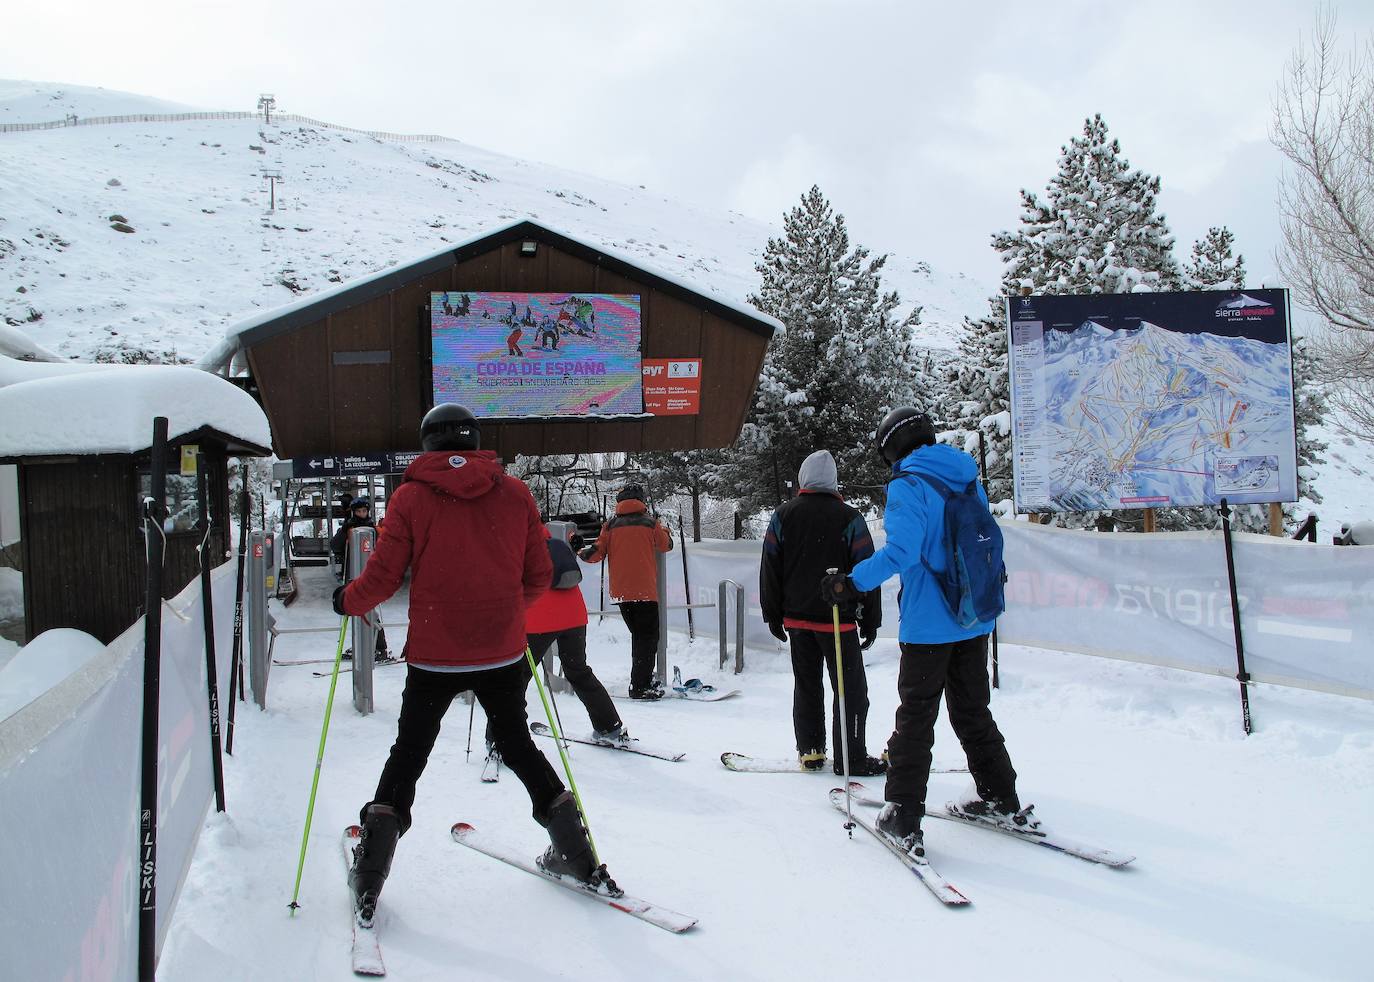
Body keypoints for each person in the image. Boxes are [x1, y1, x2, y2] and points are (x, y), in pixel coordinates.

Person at [333, 403, 610, 926]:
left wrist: (347, 600)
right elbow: (537, 574)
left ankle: (370, 873)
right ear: (474, 439)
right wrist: (505, 617)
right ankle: (577, 855)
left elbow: (383, 578)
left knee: (410, 751)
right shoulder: (514, 493)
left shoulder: (410, 497)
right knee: (517, 743)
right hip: (502, 649)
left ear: (429, 443)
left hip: (436, 655)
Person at [822, 407, 1024, 858]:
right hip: (975, 616)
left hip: (929, 623)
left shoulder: (907, 484)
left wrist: (850, 581)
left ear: (892, 448)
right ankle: (1001, 796)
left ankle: (903, 815)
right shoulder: (966, 476)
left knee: (915, 718)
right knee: (972, 710)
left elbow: (901, 553)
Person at [760, 450, 886, 776]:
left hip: (798, 619)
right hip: (837, 620)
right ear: (833, 481)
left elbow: (770, 568)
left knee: (807, 685)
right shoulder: (849, 518)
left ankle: (811, 751)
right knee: (849, 690)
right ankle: (851, 757)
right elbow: (867, 570)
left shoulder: (783, 515)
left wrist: (772, 614)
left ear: (803, 478)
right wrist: (870, 620)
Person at [486, 527, 626, 767]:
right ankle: (609, 726)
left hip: (539, 620)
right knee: (578, 671)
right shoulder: (554, 543)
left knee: (514, 679)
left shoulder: (515, 546)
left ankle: (503, 739)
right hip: (573, 617)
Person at [578, 485, 673, 699]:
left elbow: (595, 554)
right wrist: (665, 530)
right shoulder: (650, 523)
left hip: (621, 593)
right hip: (645, 592)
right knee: (647, 638)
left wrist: (578, 550)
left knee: (639, 636)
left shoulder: (610, 526)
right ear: (641, 501)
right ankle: (640, 685)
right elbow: (666, 545)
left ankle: (641, 679)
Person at [330, 497, 390, 661]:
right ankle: (362, 642)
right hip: (352, 574)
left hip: (369, 575)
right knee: (354, 610)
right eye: (359, 511)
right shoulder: (348, 528)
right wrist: (344, 531)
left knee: (370, 611)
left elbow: (385, 546)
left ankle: (380, 647)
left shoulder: (372, 529)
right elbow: (335, 546)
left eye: (364, 511)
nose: (362, 514)